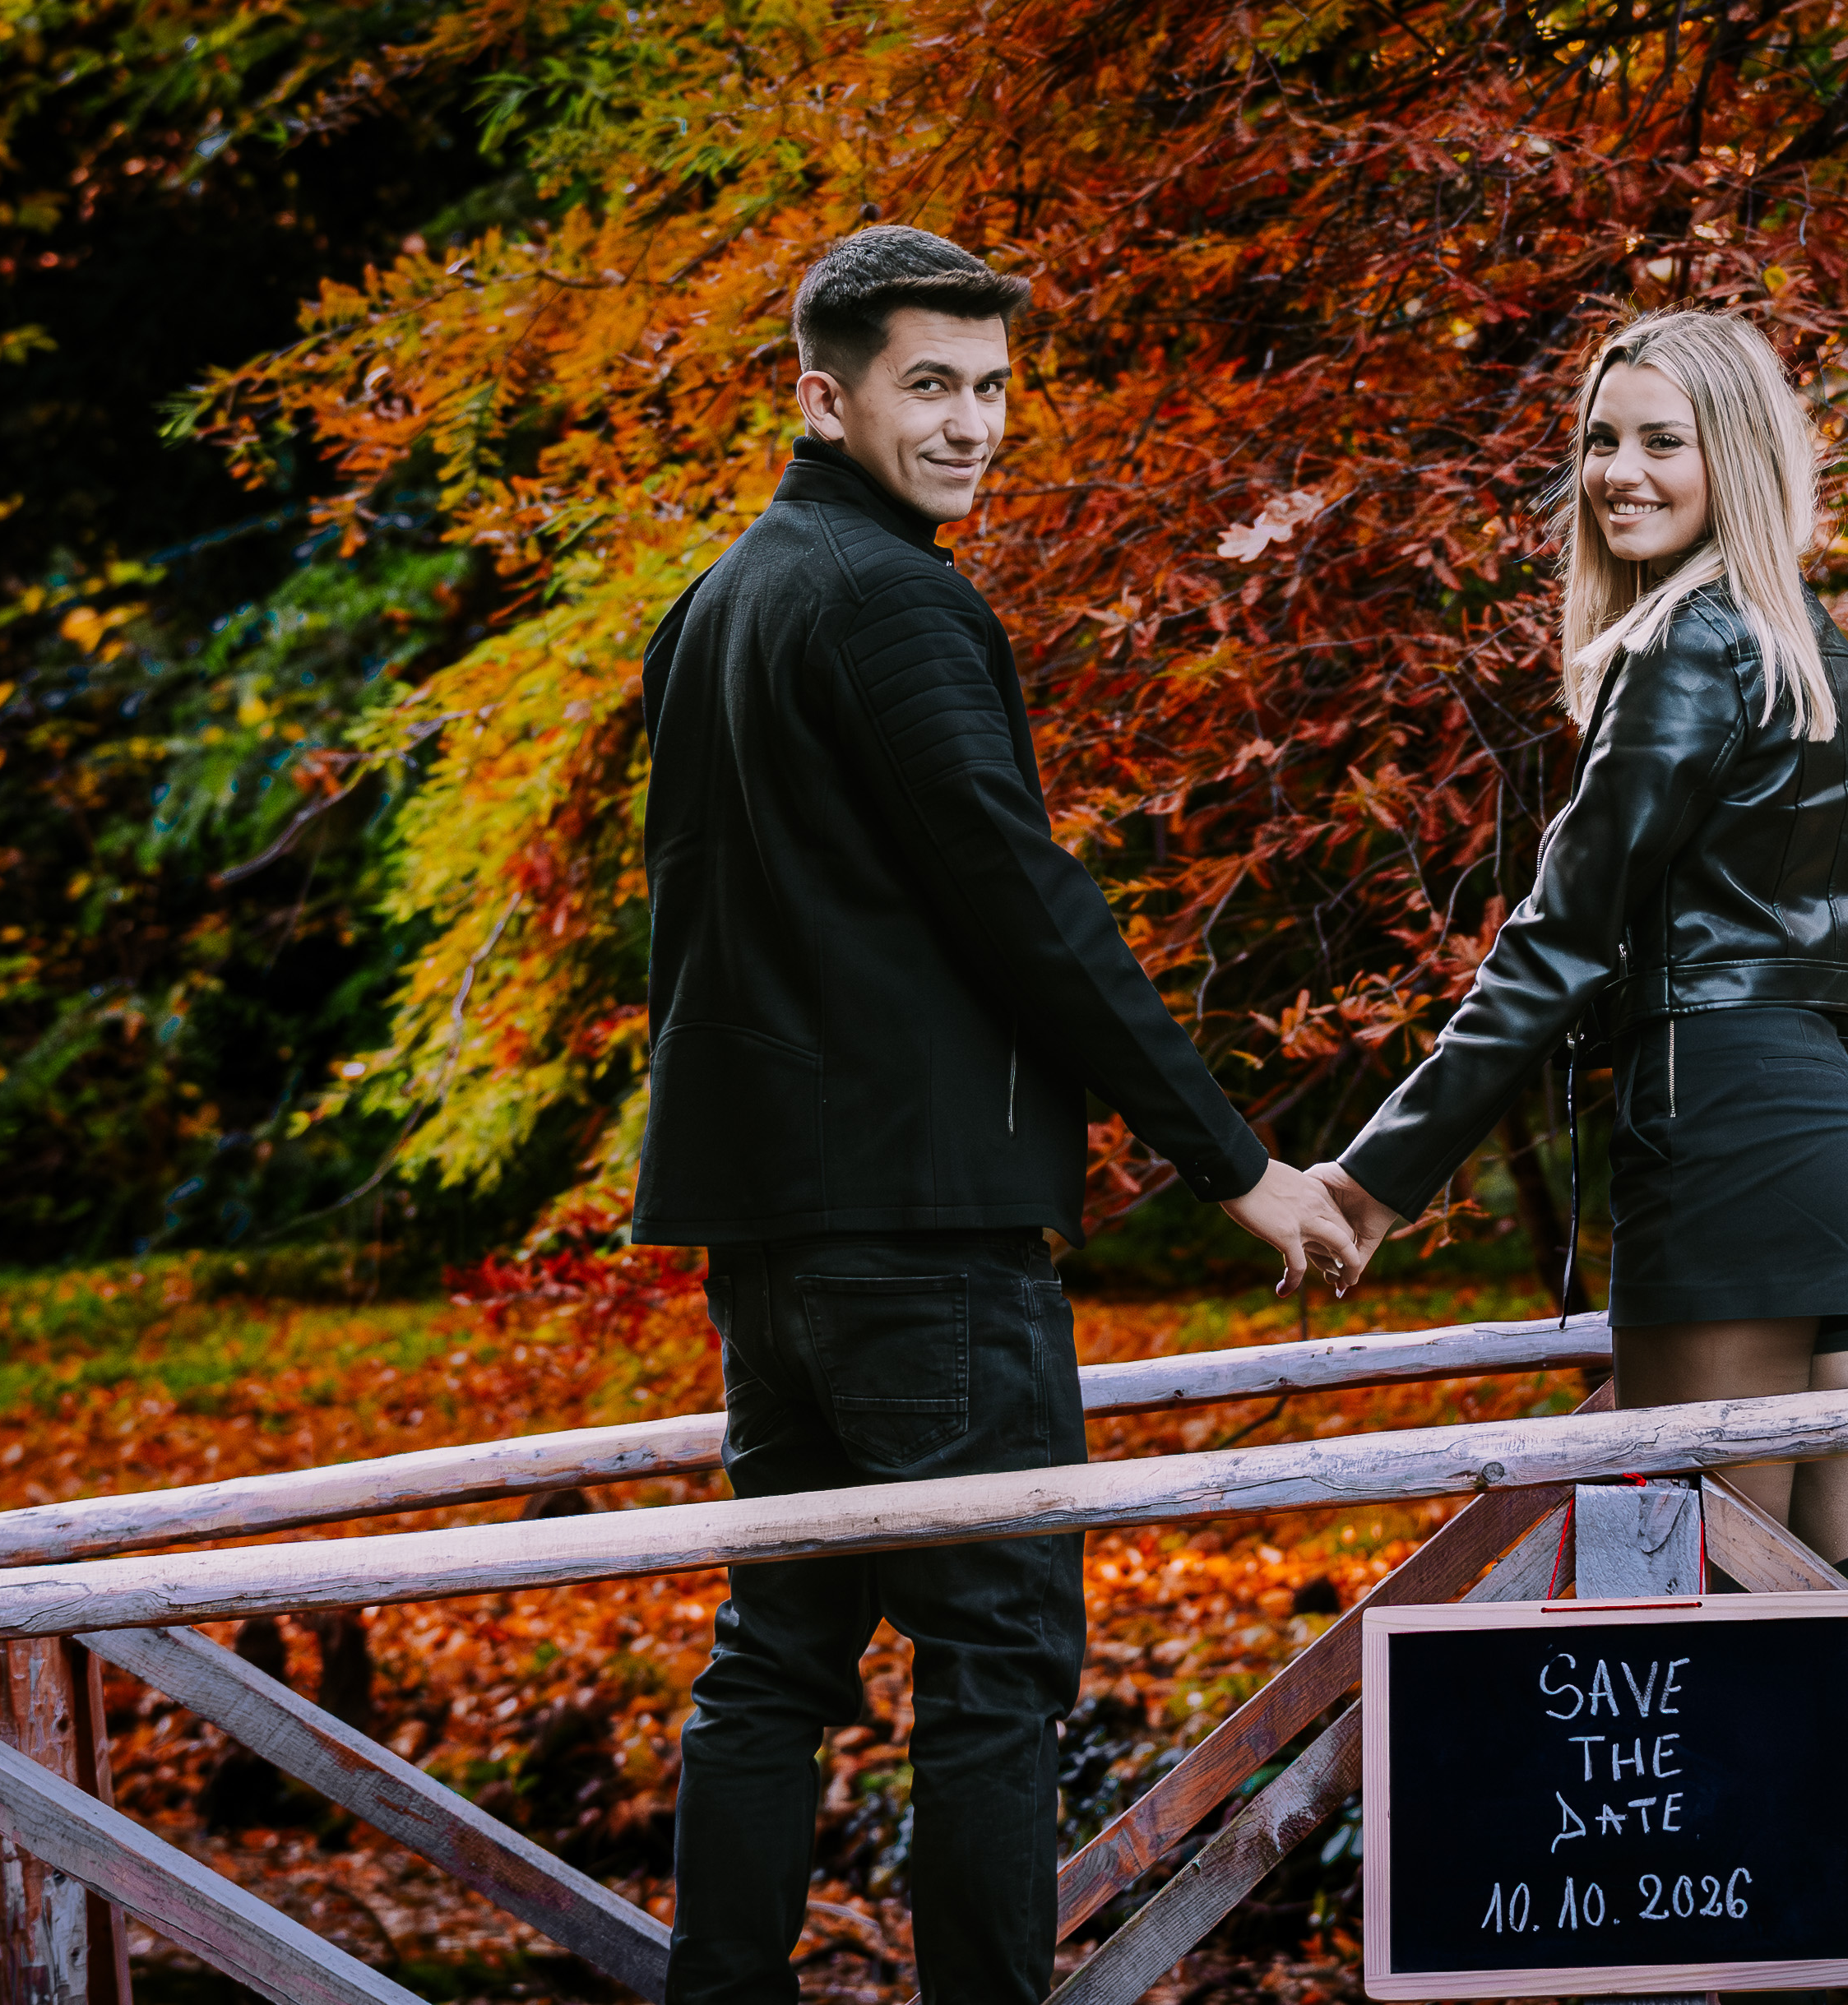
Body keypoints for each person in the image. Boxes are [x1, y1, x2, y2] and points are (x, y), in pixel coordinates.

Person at [1306, 309, 1848, 2005]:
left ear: (1734, 457)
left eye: (1660, 441)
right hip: (1838, 1142)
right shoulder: (1809, 648)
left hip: (1733, 1142)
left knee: (1699, 1639)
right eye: (1599, 441)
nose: (1617, 473)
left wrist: (1372, 1181)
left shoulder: (1687, 647)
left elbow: (1556, 943)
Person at [632, 224, 1355, 2005]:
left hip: (773, 1240)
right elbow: (1023, 905)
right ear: (824, 398)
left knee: (775, 1658)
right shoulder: (893, 602)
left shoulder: (719, 602)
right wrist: (1235, 1162)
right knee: (995, 1659)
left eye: (993, 387)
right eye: (929, 386)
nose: (971, 424)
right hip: (924, 1232)